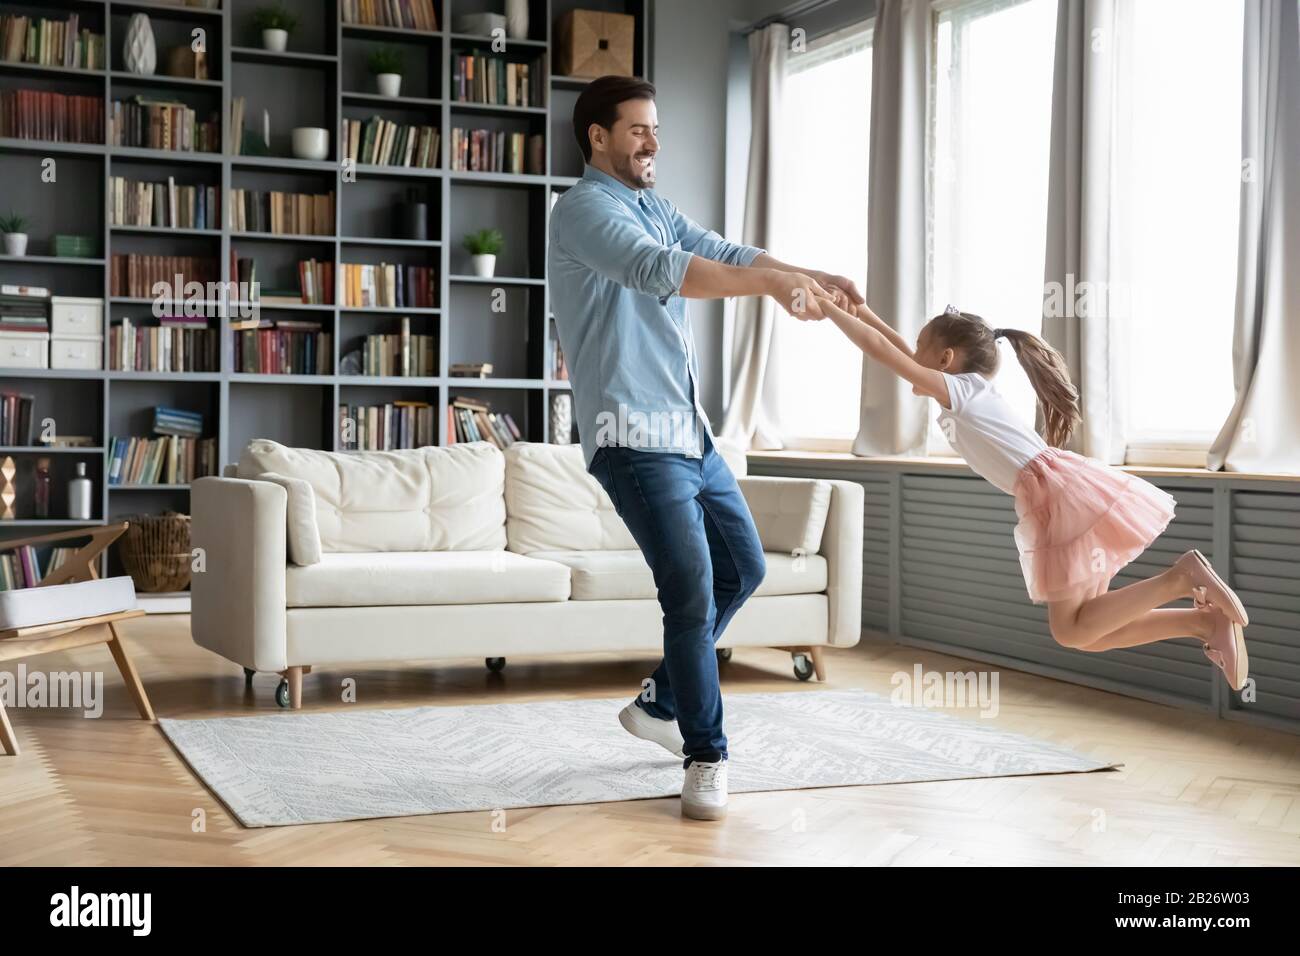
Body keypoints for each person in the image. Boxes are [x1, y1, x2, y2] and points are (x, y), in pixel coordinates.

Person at [547, 75, 862, 820]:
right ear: (598, 136)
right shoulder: (585, 210)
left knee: (746, 567)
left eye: (656, 128)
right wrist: (770, 287)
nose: (654, 141)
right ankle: (705, 756)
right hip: (632, 437)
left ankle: (660, 699)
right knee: (688, 595)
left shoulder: (651, 204)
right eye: (637, 130)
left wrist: (804, 273)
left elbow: (718, 247)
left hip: (690, 433)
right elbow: (664, 271)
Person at [818, 296, 1249, 689]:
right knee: (1086, 634)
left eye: (920, 348)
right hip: (1061, 491)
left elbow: (884, 353)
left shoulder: (962, 391)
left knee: (1071, 630)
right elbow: (892, 349)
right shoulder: (966, 389)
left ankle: (1182, 577)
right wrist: (857, 307)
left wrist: (831, 312)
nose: (911, 357)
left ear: (946, 359)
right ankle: (1202, 624)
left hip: (1057, 498)